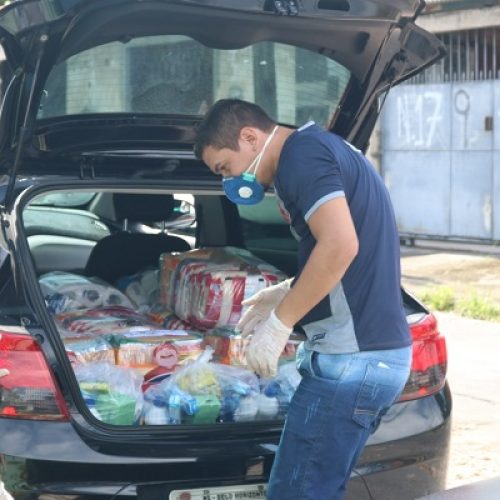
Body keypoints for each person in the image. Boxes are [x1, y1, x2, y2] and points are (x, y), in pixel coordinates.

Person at [194, 99, 412, 500]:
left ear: (249, 137)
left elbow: (340, 245)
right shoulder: (323, 148)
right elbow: (347, 252)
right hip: (371, 358)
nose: (229, 180)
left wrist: (281, 322)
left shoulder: (301, 157)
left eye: (225, 167)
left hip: (352, 361)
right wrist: (287, 289)